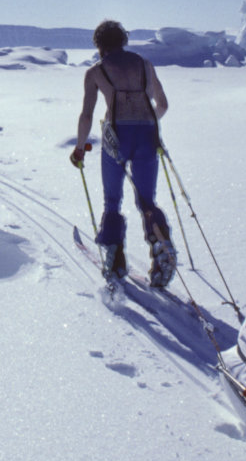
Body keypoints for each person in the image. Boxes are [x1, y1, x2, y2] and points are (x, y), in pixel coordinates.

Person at [70, 19, 175, 284]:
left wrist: (80, 147)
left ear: (99, 45)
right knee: (146, 201)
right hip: (147, 134)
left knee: (112, 201)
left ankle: (114, 260)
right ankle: (162, 247)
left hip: (116, 136)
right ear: (123, 40)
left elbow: (87, 115)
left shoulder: (96, 72)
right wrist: (148, 126)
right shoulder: (145, 65)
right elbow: (161, 104)